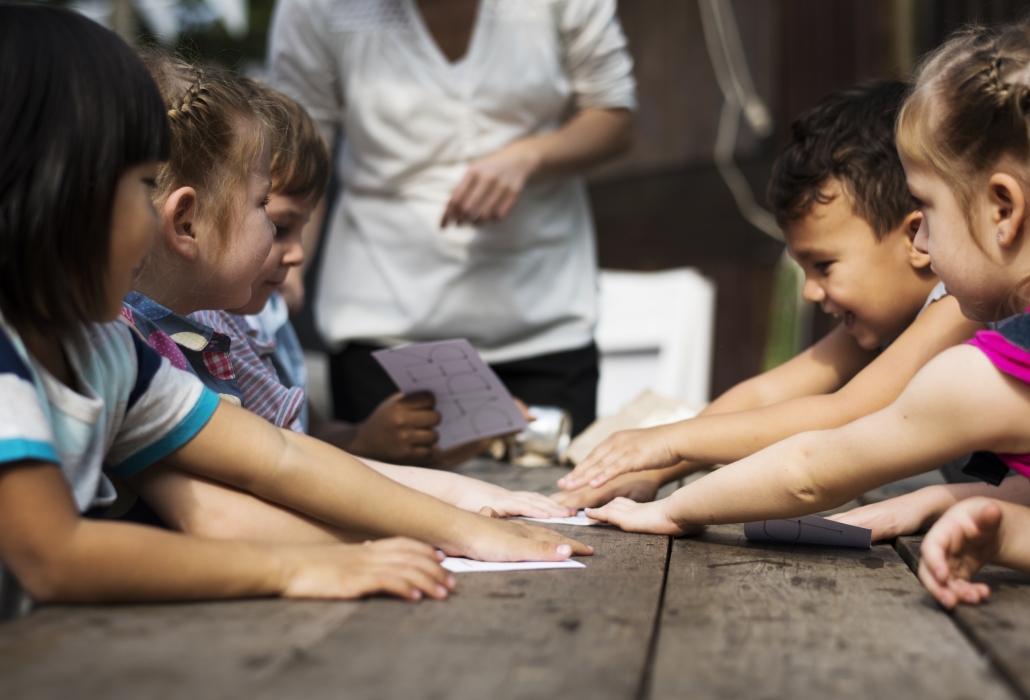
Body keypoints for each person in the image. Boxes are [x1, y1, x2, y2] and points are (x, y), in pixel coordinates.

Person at [0, 5, 455, 607]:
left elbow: (278, 454)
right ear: (54, 191)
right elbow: (54, 558)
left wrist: (469, 531)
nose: (154, 213)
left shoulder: (108, 349)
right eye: (140, 186)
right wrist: (289, 570)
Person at [582, 24, 1030, 614]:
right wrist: (666, 459)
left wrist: (669, 498)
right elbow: (779, 390)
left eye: (925, 205)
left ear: (1003, 209)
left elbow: (815, 462)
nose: (921, 236)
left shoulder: (977, 364)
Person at [120, 49, 590, 553]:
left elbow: (288, 455)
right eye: (266, 210)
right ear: (187, 222)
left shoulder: (172, 340)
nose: (296, 253)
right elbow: (222, 516)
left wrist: (466, 501)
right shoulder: (133, 351)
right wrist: (447, 533)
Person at [556, 80, 983, 507]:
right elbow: (766, 394)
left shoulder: (965, 305)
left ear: (915, 238)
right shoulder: (888, 322)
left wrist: (672, 441)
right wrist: (653, 471)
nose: (811, 292)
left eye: (824, 266)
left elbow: (845, 412)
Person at [267, 0, 637, 438]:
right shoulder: (313, 8)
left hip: (544, 319)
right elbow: (304, 147)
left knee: (553, 501)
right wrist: (283, 258)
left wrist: (530, 156)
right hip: (383, 321)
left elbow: (615, 115)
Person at [225, 81, 495, 468]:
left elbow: (306, 433)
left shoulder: (269, 318)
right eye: (280, 228)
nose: (299, 254)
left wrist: (369, 438)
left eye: (302, 230)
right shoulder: (174, 336)